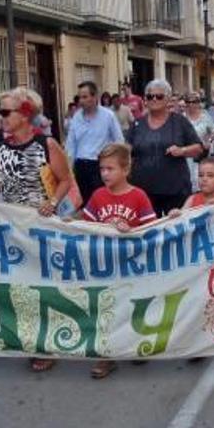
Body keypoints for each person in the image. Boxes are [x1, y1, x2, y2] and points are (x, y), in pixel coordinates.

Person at [0, 87, 75, 372]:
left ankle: (50, 343)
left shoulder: (46, 144)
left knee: (46, 285)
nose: (1, 117)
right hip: (13, 229)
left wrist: (53, 201)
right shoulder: (0, 148)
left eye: (6, 112)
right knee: (22, 286)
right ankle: (34, 340)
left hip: (42, 227)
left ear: (26, 114)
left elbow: (65, 179)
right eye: (0, 111)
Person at [82, 143, 157, 378]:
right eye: (102, 169)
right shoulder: (97, 195)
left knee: (133, 307)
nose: (105, 174)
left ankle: (135, 345)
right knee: (106, 309)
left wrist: (131, 231)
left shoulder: (138, 196)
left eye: (110, 169)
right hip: (104, 264)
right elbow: (84, 224)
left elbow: (152, 231)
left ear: (125, 170)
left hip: (131, 265)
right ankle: (107, 357)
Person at [126, 79, 204, 216]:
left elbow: (198, 148)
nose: (154, 99)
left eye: (159, 96)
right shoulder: (137, 123)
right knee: (147, 231)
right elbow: (126, 151)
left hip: (175, 189)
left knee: (176, 230)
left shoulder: (180, 121)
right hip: (143, 190)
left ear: (168, 99)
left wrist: (182, 151)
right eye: (150, 96)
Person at [66, 81, 125, 205]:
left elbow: (119, 141)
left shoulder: (108, 116)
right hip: (81, 166)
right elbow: (71, 145)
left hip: (100, 166)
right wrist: (69, 170)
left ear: (95, 97)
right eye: (80, 97)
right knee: (85, 203)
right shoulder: (76, 118)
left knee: (102, 202)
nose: (81, 101)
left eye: (85, 97)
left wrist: (114, 163)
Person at [184, 92, 214, 192]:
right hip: (186, 155)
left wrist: (209, 141)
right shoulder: (182, 118)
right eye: (188, 102)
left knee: (202, 181)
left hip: (201, 155)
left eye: (194, 101)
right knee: (188, 182)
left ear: (199, 103)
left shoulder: (205, 116)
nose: (191, 104)